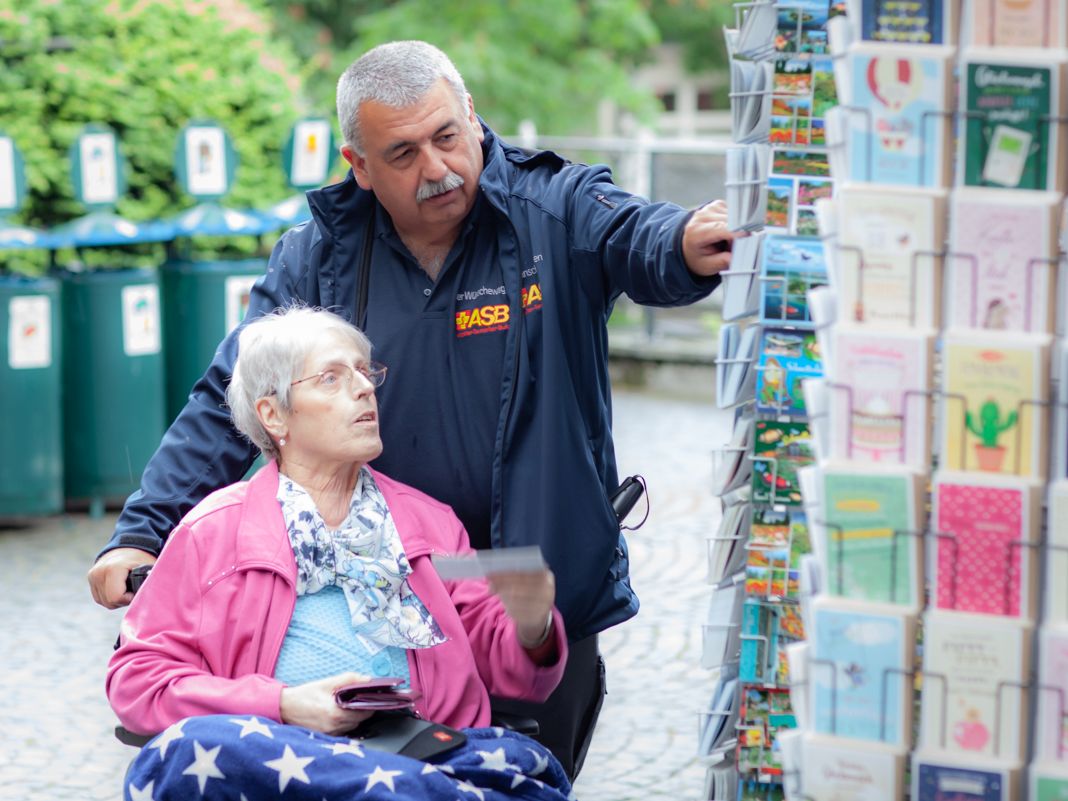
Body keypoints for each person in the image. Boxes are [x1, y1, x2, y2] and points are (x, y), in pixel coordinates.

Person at [89, 40, 740, 776]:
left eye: (447, 137)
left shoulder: (550, 210)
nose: (435, 169)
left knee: (516, 774)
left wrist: (685, 244)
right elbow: (230, 396)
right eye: (401, 154)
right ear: (358, 166)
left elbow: (637, 236)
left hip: (526, 582)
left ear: (472, 116)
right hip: (406, 574)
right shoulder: (319, 257)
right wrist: (142, 532)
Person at [109, 307, 573, 801]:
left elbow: (519, 676)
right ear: (273, 415)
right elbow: (138, 682)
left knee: (525, 762)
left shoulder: (430, 523)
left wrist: (532, 626)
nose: (363, 387)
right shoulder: (212, 533)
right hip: (281, 761)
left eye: (363, 371)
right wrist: (283, 705)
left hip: (425, 753)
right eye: (331, 377)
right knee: (190, 748)